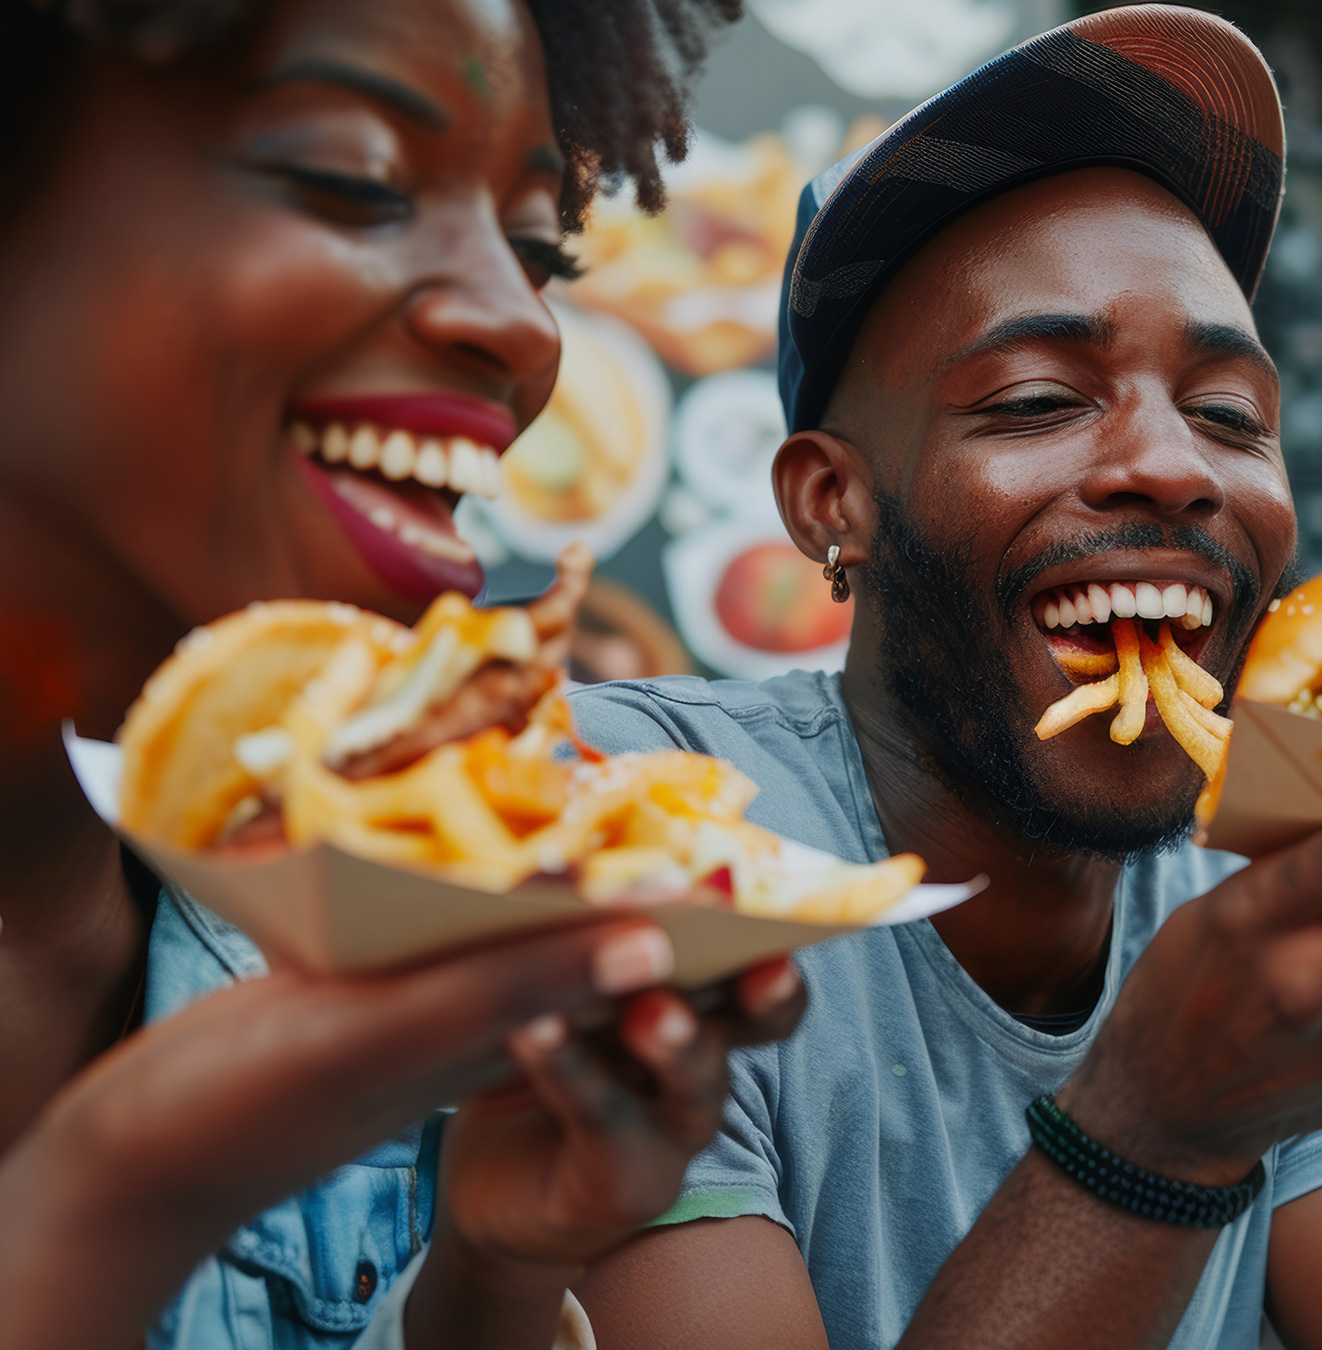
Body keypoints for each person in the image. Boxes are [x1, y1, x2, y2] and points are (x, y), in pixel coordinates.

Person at [571, 10, 1322, 1348]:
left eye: (1231, 414)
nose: (1178, 466)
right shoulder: (628, 831)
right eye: (1034, 397)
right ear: (831, 502)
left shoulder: (1254, 877)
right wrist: (1159, 1126)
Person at [0, 1, 809, 1347]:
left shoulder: (343, 924)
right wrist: (118, 1205)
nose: (522, 325)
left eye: (539, 247)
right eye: (353, 180)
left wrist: (488, 1275)